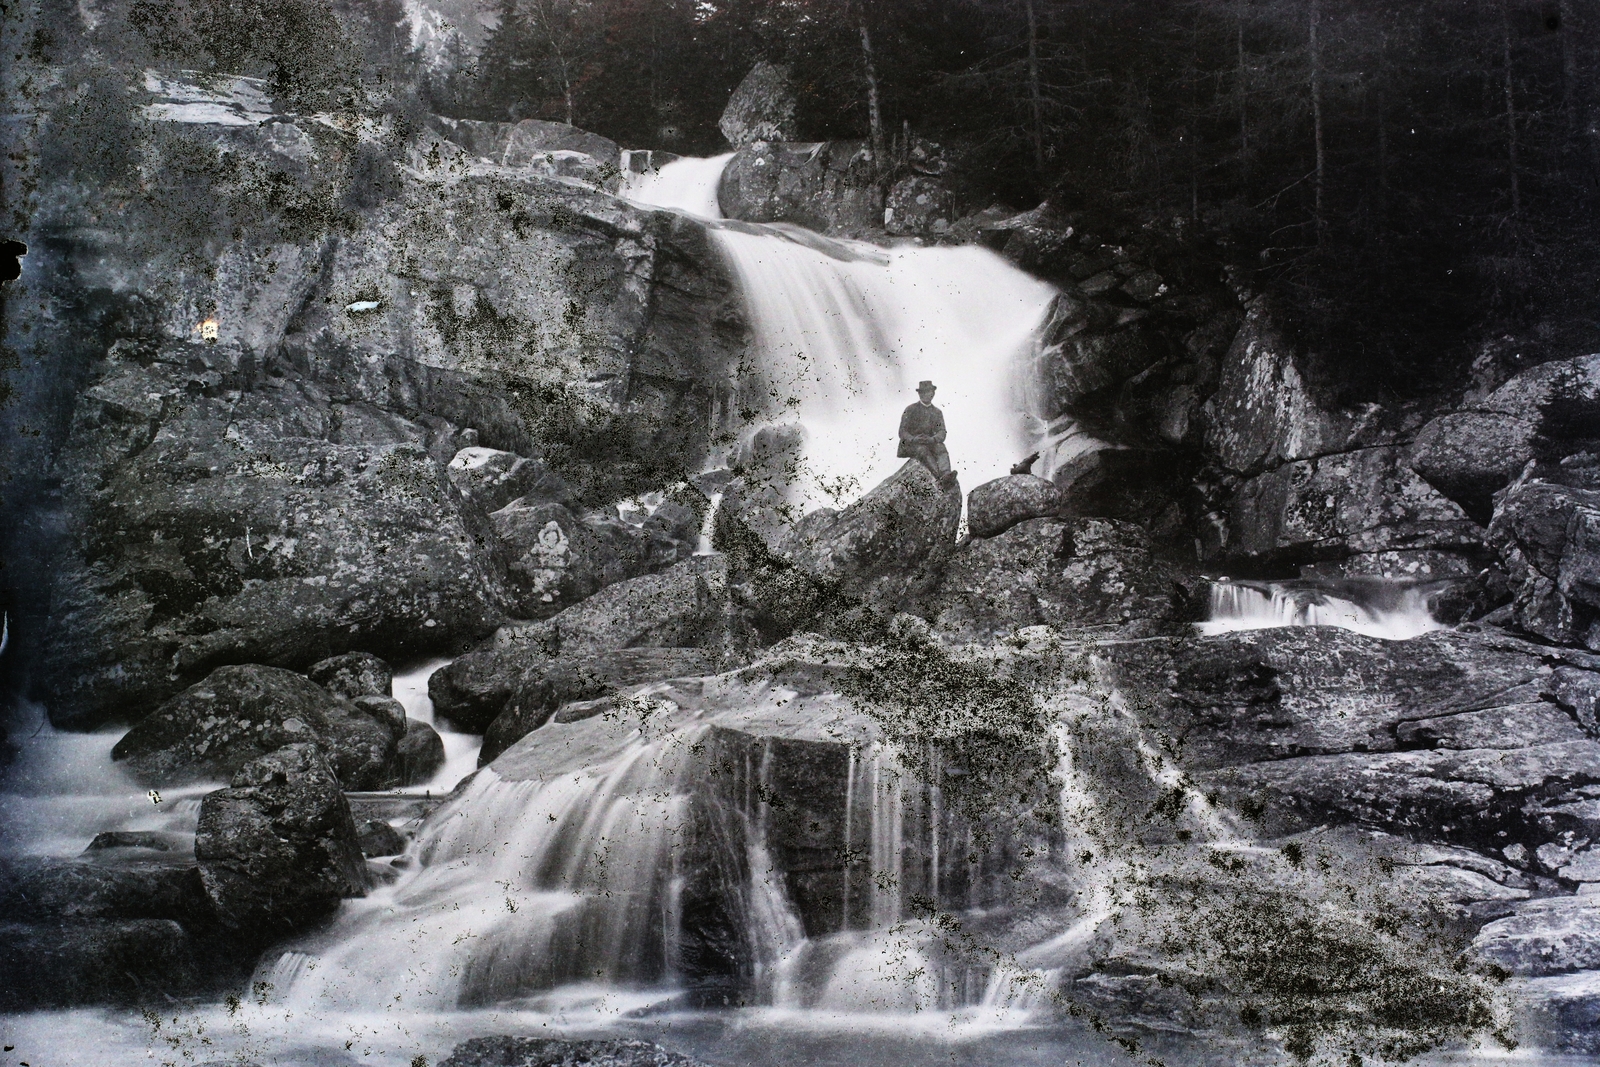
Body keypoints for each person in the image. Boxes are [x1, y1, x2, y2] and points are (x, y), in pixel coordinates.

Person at [897, 380, 958, 488]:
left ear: (933, 393)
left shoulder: (937, 412)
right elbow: (902, 431)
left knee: (940, 447)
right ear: (919, 394)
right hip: (911, 445)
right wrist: (914, 439)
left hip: (929, 442)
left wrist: (932, 439)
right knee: (922, 450)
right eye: (923, 392)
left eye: (928, 392)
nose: (926, 395)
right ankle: (940, 478)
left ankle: (946, 473)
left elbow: (942, 432)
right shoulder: (910, 409)